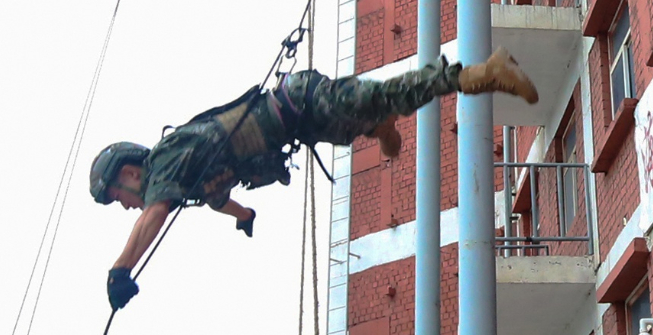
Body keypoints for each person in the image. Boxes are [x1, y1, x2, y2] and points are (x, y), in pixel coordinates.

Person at [90, 47, 538, 310]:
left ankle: (481, 73)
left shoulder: (164, 166)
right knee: (356, 115)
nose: (126, 204)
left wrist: (120, 268)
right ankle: (376, 124)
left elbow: (151, 215)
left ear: (129, 173)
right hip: (301, 123)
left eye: (118, 196)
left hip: (299, 101)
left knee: (379, 96)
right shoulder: (183, 175)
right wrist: (243, 214)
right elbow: (214, 198)